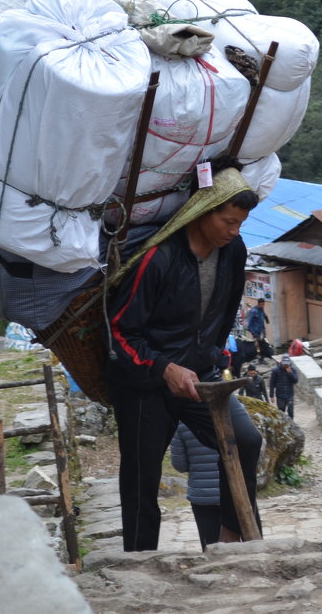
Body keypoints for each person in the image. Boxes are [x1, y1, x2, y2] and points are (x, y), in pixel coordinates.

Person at [104, 163, 264, 551]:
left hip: (202, 377)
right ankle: (141, 561)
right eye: (228, 221)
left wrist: (210, 353)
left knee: (246, 440)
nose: (234, 231)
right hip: (144, 387)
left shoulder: (233, 253)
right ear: (201, 211)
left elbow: (225, 311)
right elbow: (120, 335)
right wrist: (162, 368)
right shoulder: (156, 259)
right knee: (142, 477)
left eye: (240, 223)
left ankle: (231, 533)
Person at [169, 423, 223, 551]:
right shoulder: (235, 412)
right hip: (233, 493)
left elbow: (180, 465)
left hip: (202, 495)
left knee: (210, 545)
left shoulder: (182, 424)